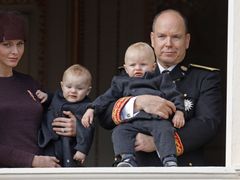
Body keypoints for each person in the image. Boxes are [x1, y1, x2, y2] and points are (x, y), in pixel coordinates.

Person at [99, 9, 222, 167]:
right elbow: (104, 116)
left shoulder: (204, 78)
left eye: (176, 37)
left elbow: (207, 124)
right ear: (152, 39)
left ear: (187, 40)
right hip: (136, 170)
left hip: (184, 171)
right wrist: (137, 103)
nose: (168, 44)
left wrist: (158, 142)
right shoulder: (131, 73)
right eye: (162, 36)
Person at [0, 11, 76, 168]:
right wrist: (32, 161)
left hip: (41, 173)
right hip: (1, 175)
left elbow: (52, 123)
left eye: (20, 44)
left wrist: (74, 128)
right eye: (7, 44)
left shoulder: (29, 83)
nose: (15, 51)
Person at [82, 42, 184, 167]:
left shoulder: (161, 79)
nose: (137, 68)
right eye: (132, 65)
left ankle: (169, 159)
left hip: (156, 120)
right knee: (119, 131)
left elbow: (174, 95)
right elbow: (106, 98)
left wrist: (179, 111)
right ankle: (127, 159)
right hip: (131, 122)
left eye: (143, 64)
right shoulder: (120, 82)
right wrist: (92, 108)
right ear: (125, 68)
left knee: (166, 129)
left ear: (153, 66)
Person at [38, 64, 95, 167]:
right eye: (69, 87)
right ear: (62, 86)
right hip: (48, 140)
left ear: (88, 91)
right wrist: (46, 97)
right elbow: (52, 98)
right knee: (48, 165)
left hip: (68, 145)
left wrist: (82, 150)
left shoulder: (85, 107)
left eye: (79, 88)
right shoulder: (57, 95)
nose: (73, 91)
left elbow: (87, 130)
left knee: (68, 166)